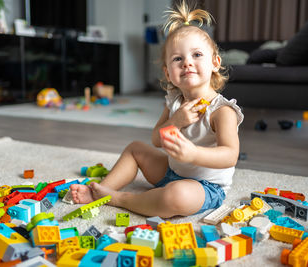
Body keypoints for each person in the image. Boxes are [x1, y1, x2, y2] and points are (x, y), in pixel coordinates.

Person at [70, 2, 243, 218]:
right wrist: (176, 121)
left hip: (205, 187)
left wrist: (193, 153)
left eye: (197, 55)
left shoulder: (221, 110)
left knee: (175, 196)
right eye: (177, 59)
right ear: (168, 73)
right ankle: (102, 190)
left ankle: (121, 199)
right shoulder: (174, 103)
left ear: (215, 62)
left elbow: (230, 155)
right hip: (172, 171)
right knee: (135, 148)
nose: (187, 63)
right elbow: (156, 140)